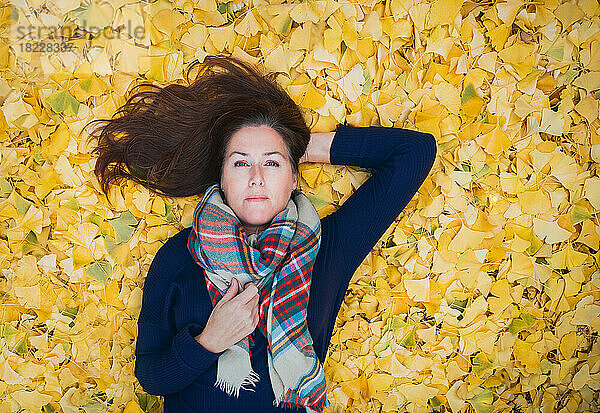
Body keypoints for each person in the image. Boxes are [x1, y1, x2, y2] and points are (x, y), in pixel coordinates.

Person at [88, 55, 437, 413]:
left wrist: (299, 145)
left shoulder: (325, 250)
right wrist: (210, 341)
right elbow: (150, 376)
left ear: (294, 176)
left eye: (272, 163)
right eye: (240, 162)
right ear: (221, 178)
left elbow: (414, 152)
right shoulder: (180, 255)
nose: (256, 176)